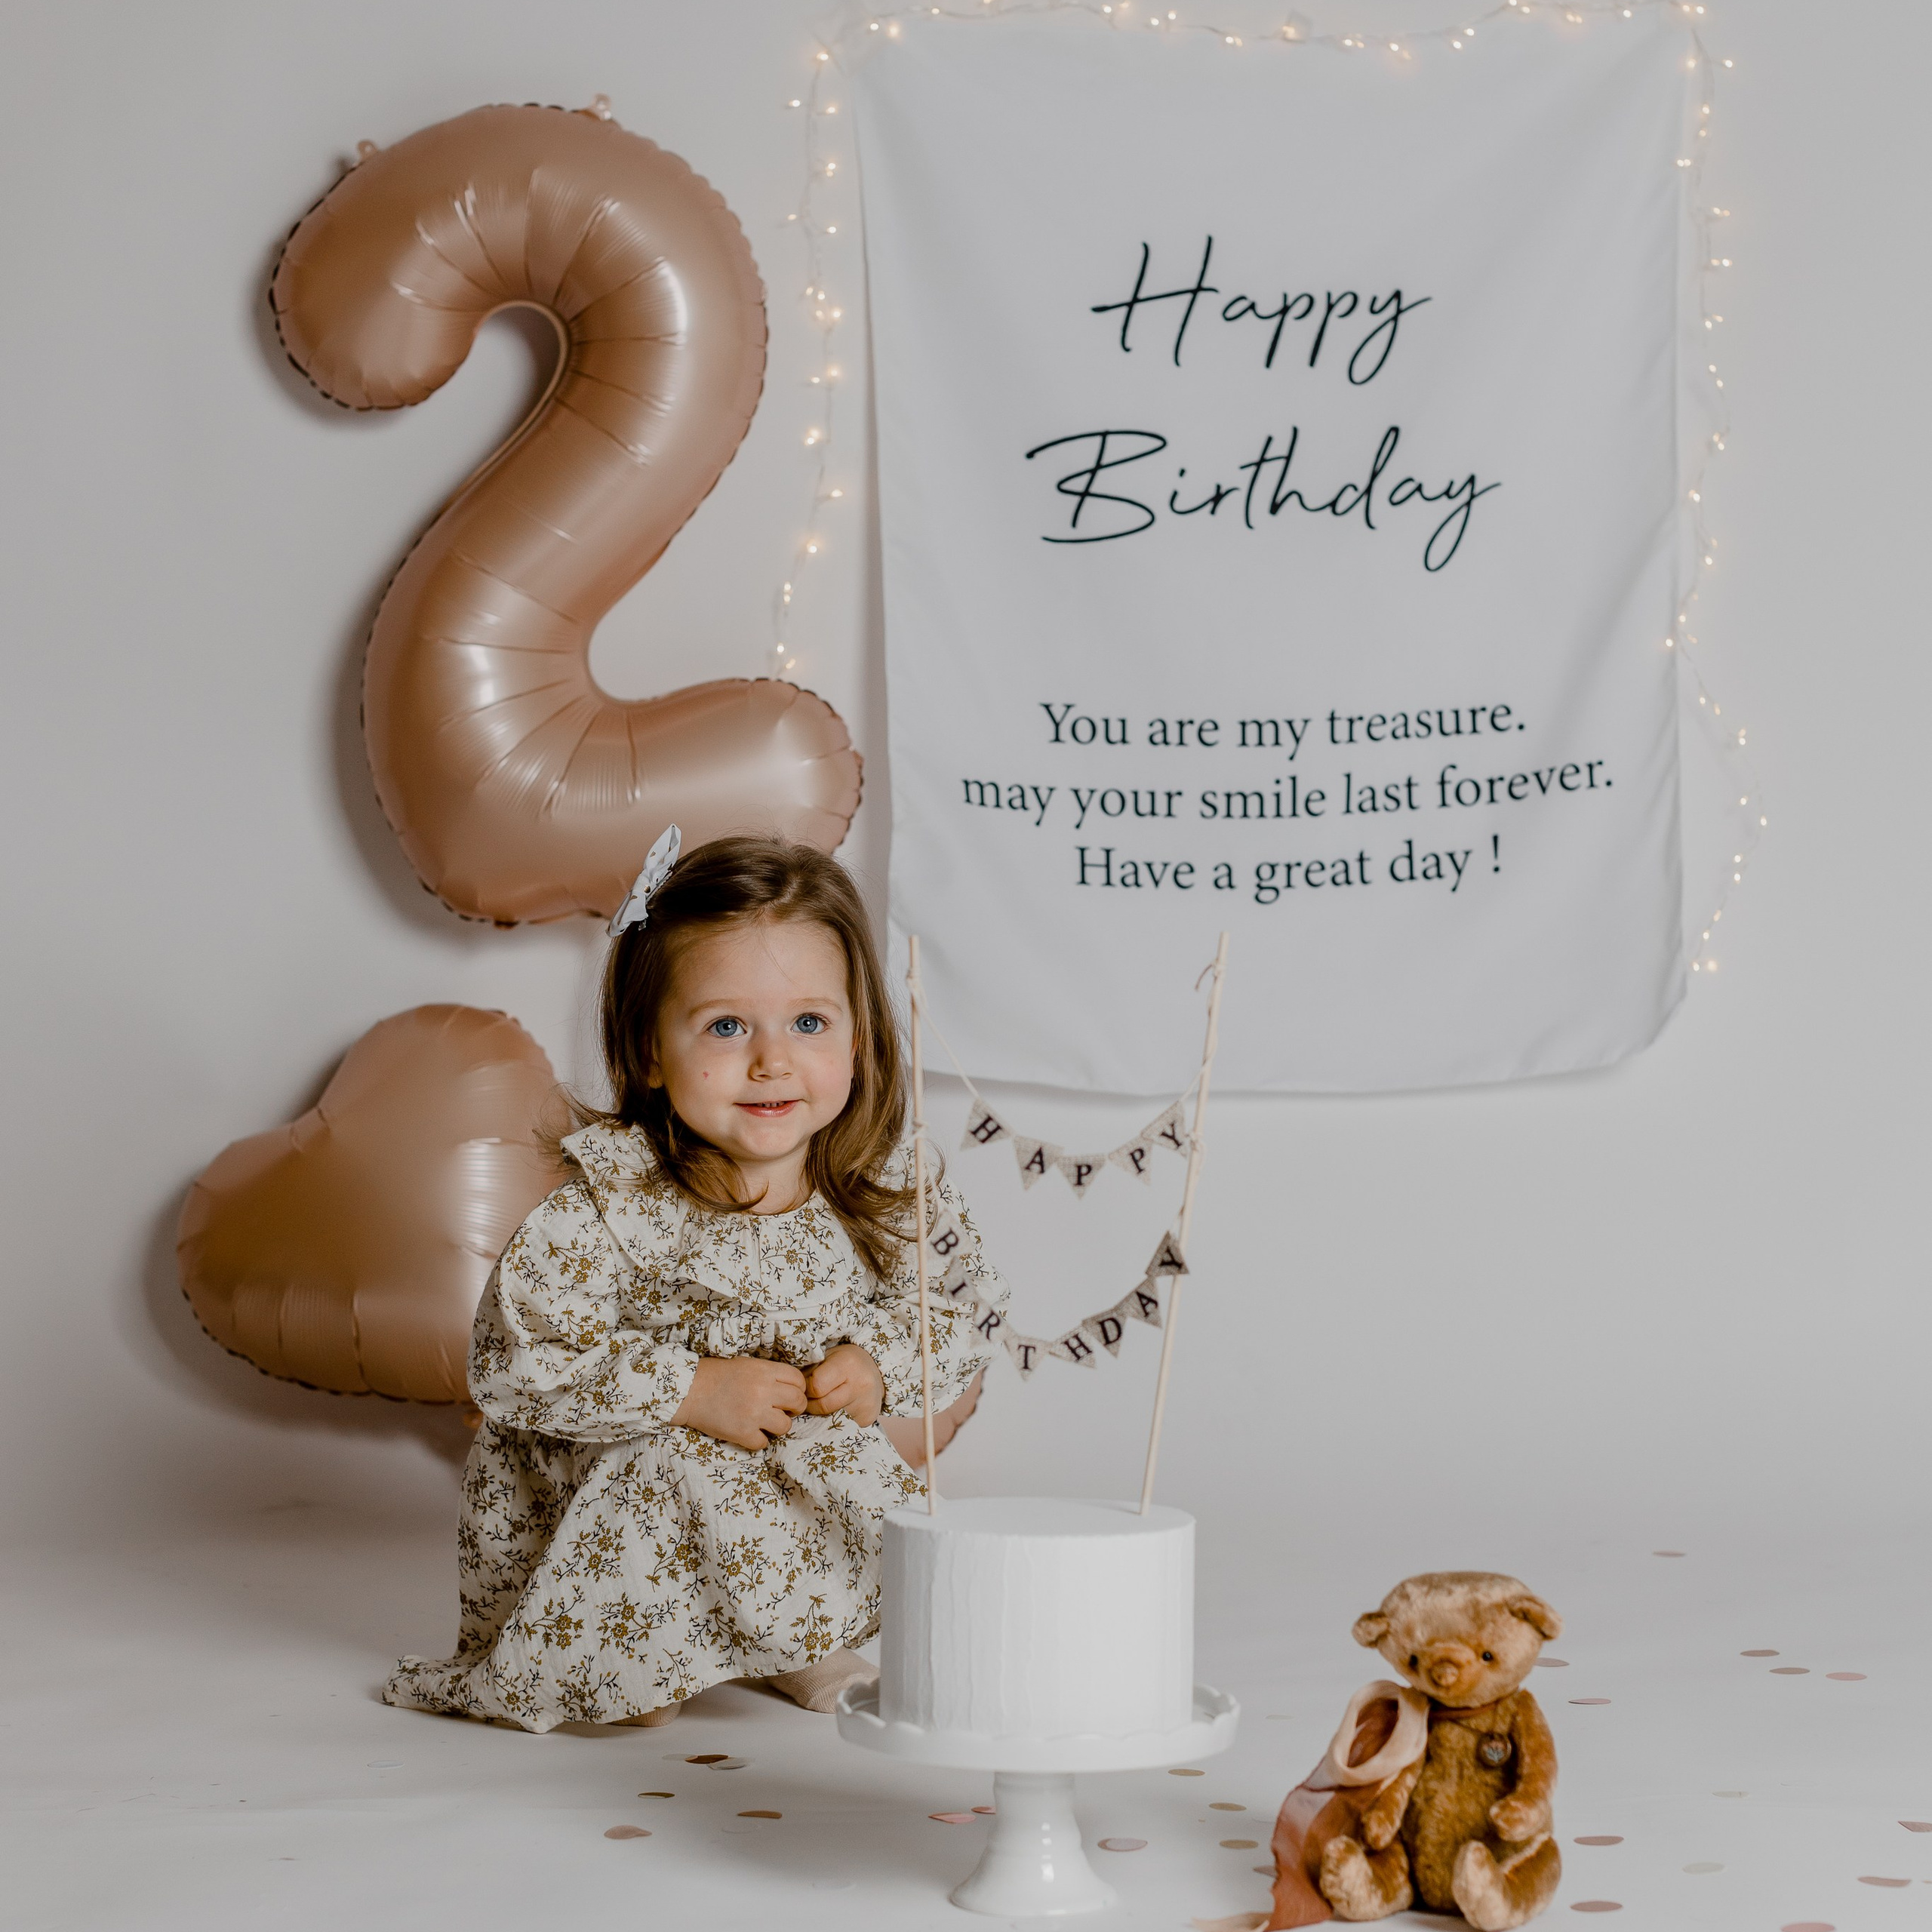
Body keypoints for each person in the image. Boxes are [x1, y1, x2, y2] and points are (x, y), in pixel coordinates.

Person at [384, 833, 1002, 1733]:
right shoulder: (617, 1200)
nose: (771, 1060)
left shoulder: (882, 1182)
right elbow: (515, 1361)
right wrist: (689, 1388)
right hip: (624, 1464)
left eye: (808, 1022)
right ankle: (639, 1644)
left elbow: (956, 1304)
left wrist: (875, 1363)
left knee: (840, 1465)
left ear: (859, 1039)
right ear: (647, 1050)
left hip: (788, 1445)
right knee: (680, 1460)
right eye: (724, 1026)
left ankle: (796, 1639)